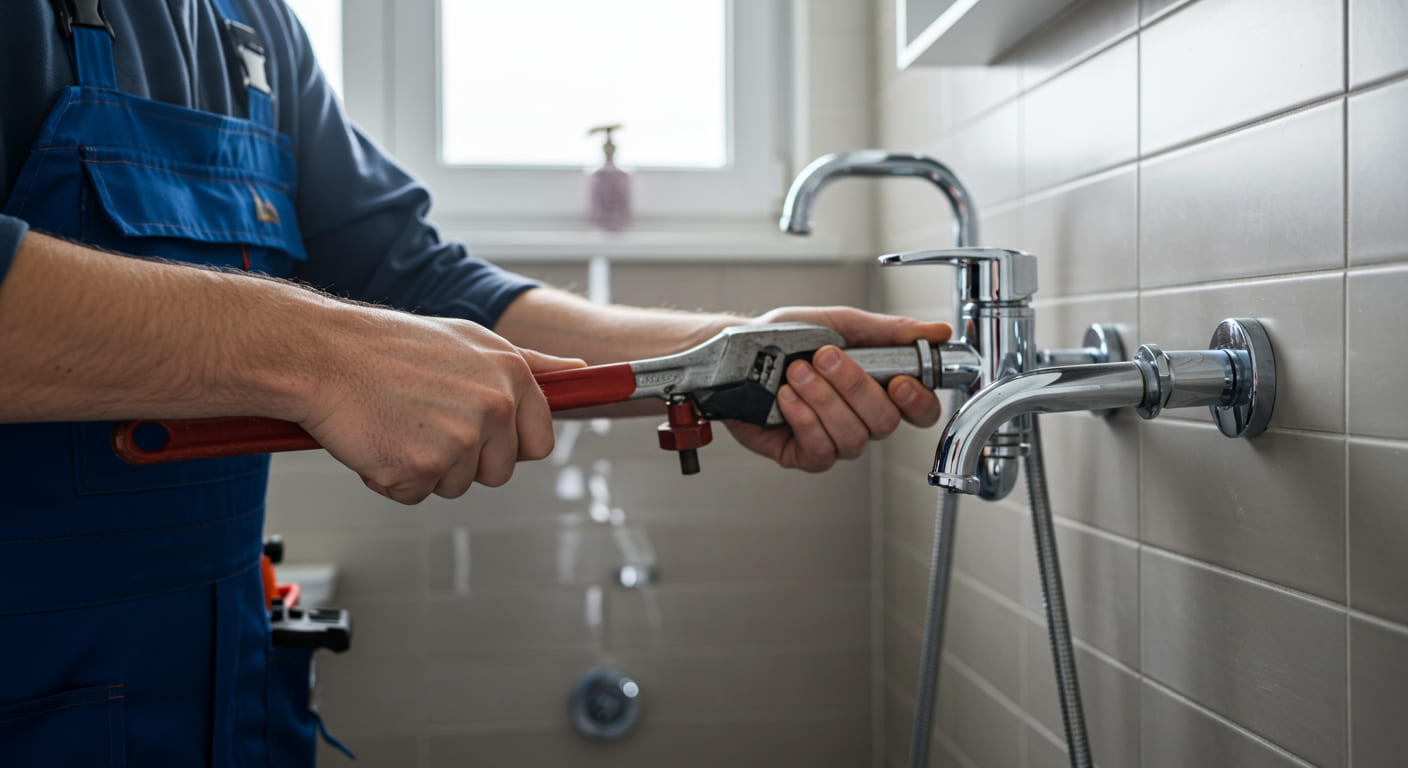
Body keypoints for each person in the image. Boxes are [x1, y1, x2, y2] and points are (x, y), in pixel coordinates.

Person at [0, 1, 951, 765]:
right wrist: (323, 352)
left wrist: (729, 357)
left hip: (230, 704)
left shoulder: (253, 28)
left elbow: (425, 285)